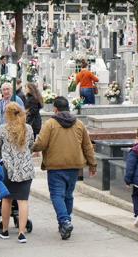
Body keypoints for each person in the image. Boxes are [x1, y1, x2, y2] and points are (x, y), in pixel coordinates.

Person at [33, 96, 97, 240]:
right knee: (68, 195)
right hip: (74, 166)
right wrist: (93, 164)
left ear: (55, 109)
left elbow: (41, 144)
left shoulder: (50, 124)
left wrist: (33, 146)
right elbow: (87, 146)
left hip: (55, 166)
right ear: (68, 108)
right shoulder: (79, 124)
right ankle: (65, 223)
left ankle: (64, 221)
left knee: (57, 195)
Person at [0, 102, 34, 243]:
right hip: (25, 169)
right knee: (23, 200)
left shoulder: (2, 129)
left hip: (8, 169)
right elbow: (31, 146)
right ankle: (21, 233)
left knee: (6, 199)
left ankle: (5, 230)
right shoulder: (28, 129)